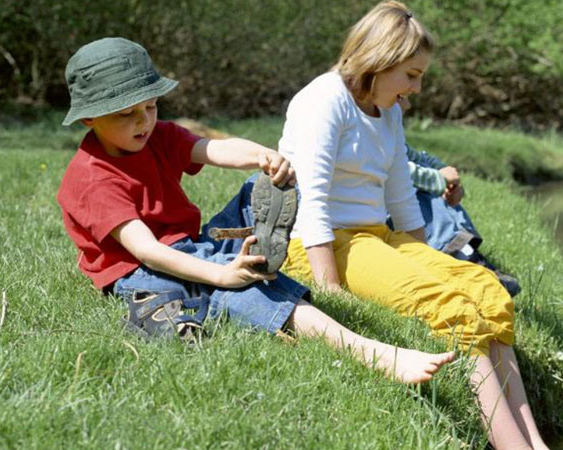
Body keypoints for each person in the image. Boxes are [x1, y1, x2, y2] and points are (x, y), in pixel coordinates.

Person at [56, 37, 454, 384]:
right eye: (126, 114)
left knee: (257, 189)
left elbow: (213, 149)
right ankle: (370, 351)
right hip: (139, 269)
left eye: (152, 106)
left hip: (186, 243)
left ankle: (245, 264)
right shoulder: (93, 179)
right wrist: (221, 275)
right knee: (237, 286)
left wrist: (262, 156)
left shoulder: (155, 136)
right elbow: (146, 251)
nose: (144, 121)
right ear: (90, 118)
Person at [277, 3, 547, 449]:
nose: (417, 88)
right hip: (319, 244)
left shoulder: (391, 111)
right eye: (411, 74)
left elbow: (401, 196)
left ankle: (535, 443)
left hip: (377, 238)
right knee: (452, 308)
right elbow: (313, 200)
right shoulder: (323, 100)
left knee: (487, 291)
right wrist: (329, 288)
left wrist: (425, 259)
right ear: (378, 62)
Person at [394, 98, 521, 296]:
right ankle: (458, 259)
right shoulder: (369, 130)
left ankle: (468, 255)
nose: (409, 104)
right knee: (418, 193)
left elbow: (416, 157)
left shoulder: (388, 130)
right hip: (372, 215)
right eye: (401, 98)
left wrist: (444, 172)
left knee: (435, 187)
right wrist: (438, 179)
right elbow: (395, 170)